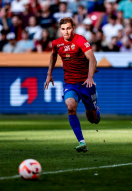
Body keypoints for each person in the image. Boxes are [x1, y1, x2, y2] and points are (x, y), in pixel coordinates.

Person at [44, 17, 100, 153]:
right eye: (63, 29)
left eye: (68, 28)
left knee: (93, 119)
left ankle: (95, 110)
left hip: (86, 83)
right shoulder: (56, 43)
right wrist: (49, 74)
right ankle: (82, 142)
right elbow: (53, 56)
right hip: (70, 83)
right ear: (60, 30)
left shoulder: (80, 40)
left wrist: (90, 77)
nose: (66, 31)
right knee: (70, 107)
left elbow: (92, 58)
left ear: (73, 28)